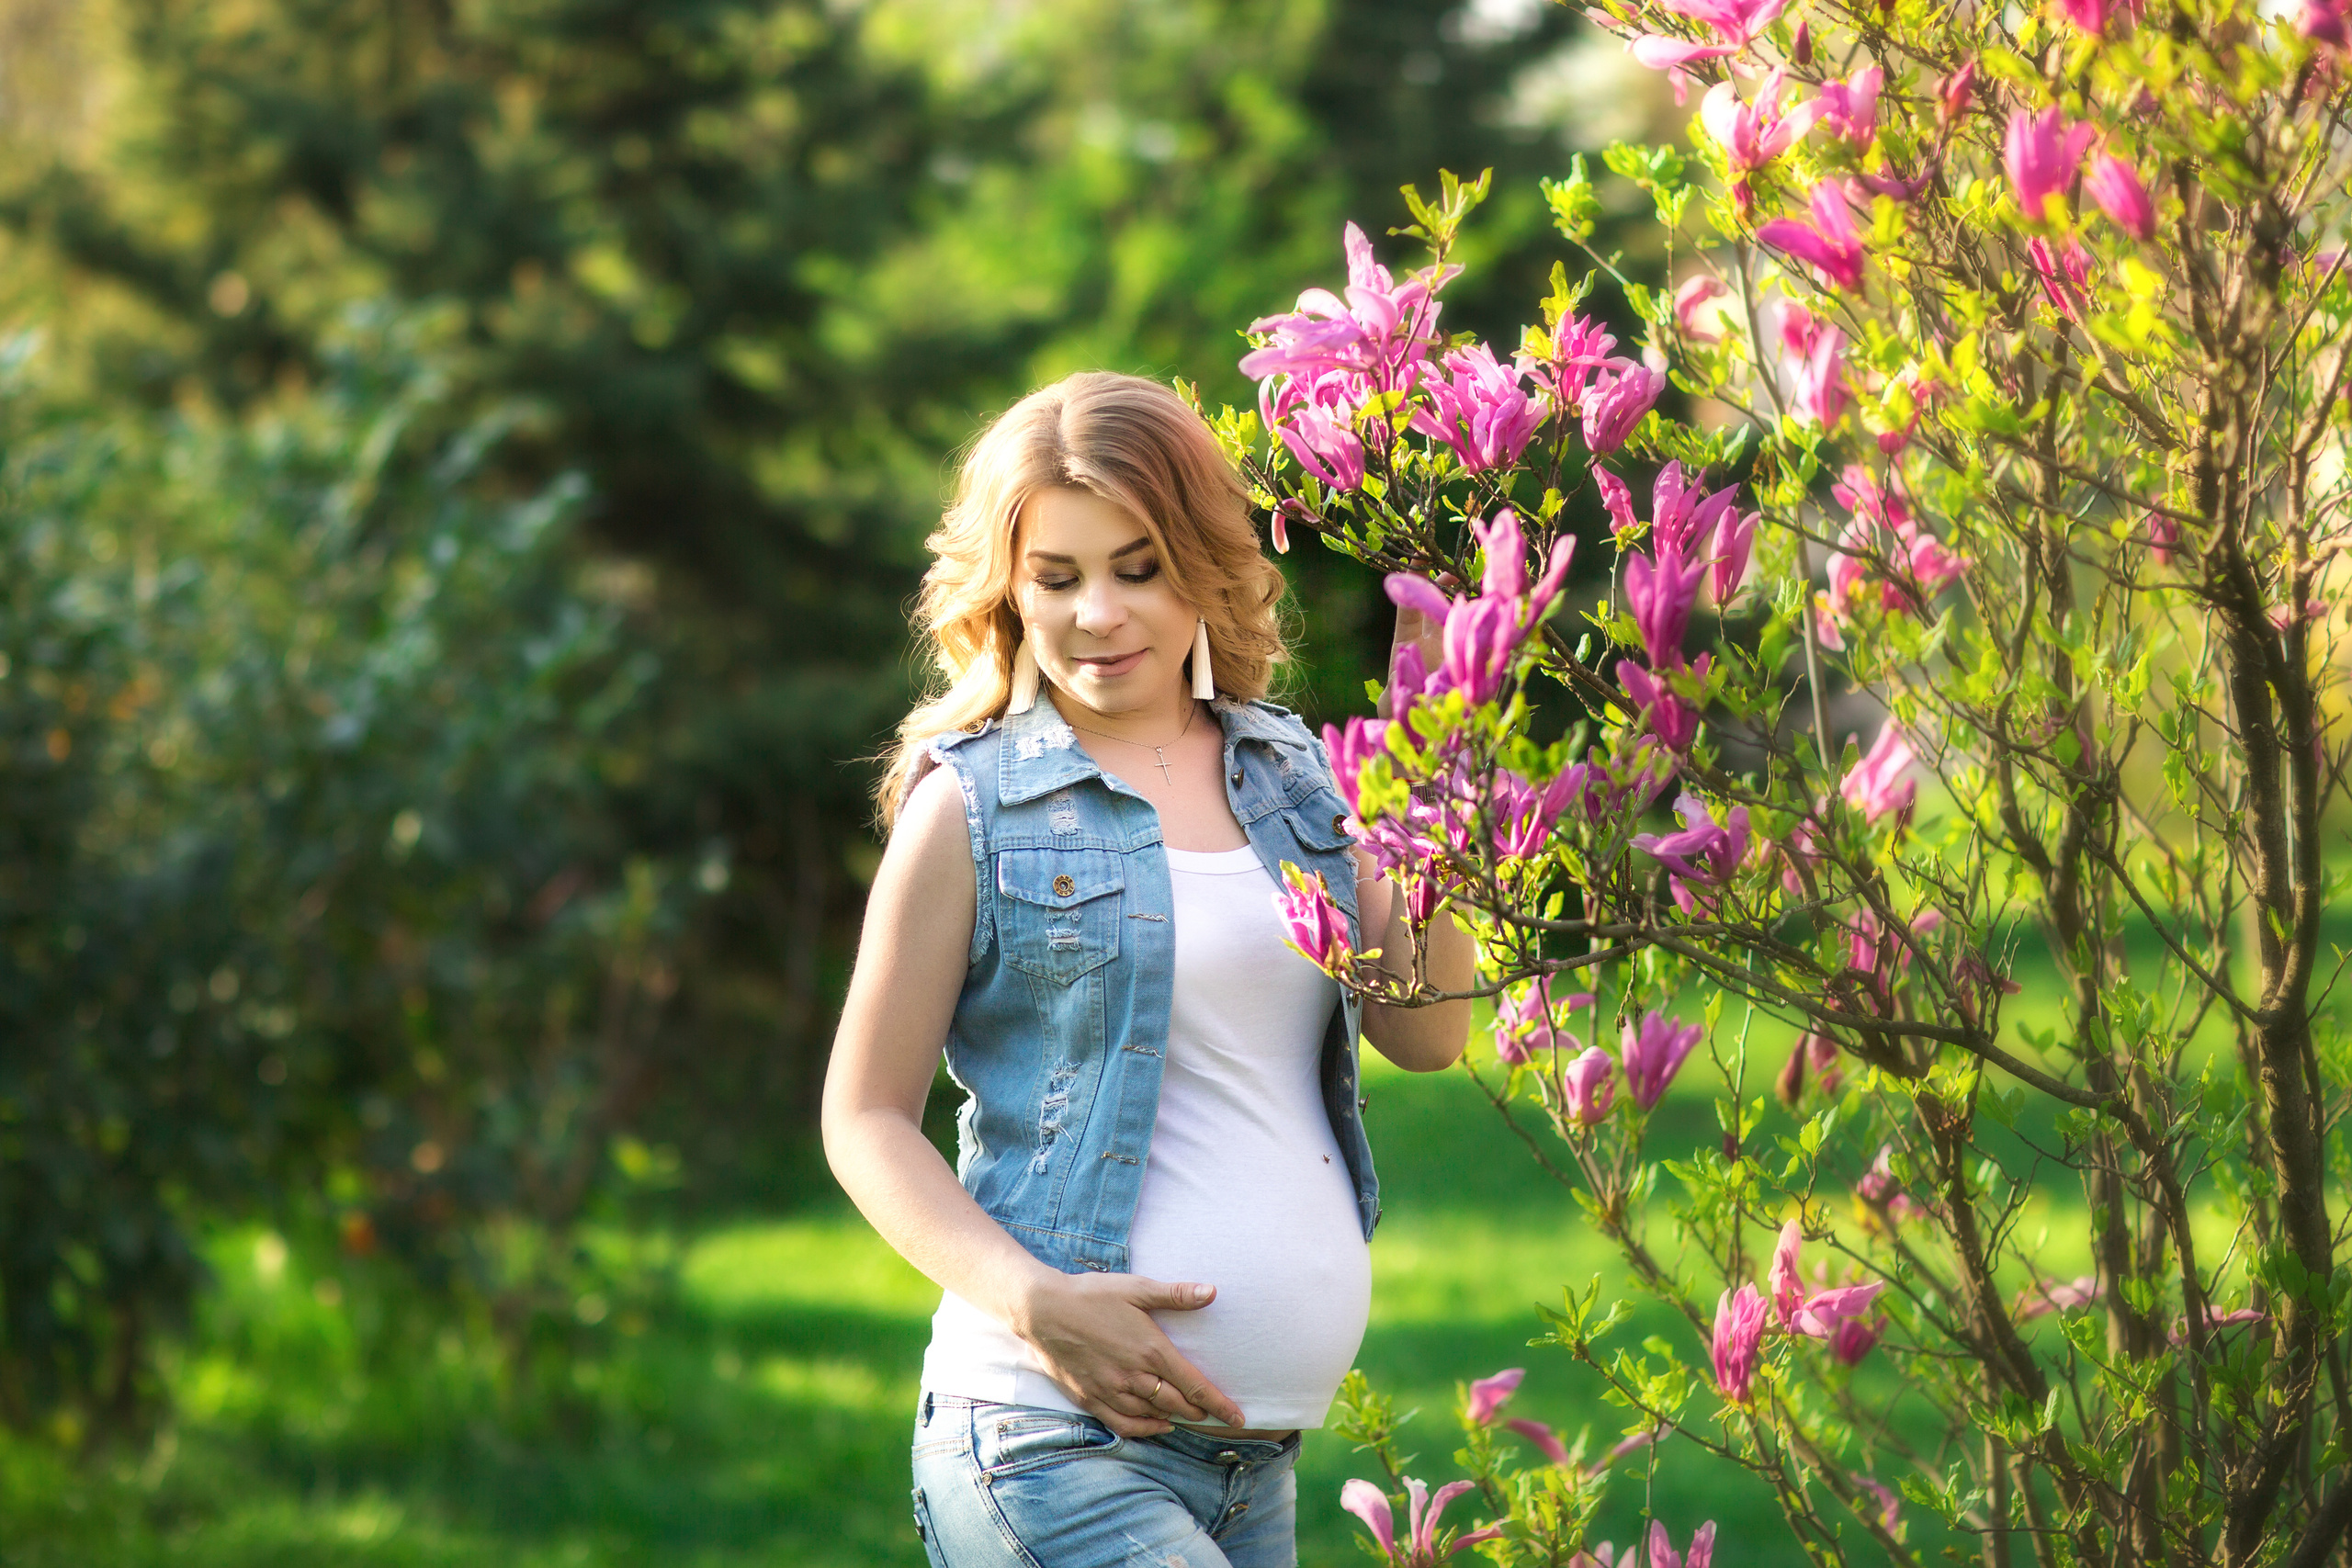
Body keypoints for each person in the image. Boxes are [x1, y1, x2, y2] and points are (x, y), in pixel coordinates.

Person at [823, 371, 1473, 1567]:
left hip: (1251, 1471)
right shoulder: (972, 807)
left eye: (1137, 567)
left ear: (1203, 564)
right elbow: (863, 1116)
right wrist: (1032, 1300)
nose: (1099, 615)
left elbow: (1429, 1032)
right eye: (1056, 578)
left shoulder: (1297, 777)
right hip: (1047, 1440)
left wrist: (1434, 782)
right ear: (1009, 592)